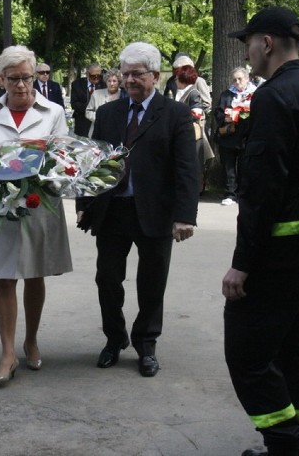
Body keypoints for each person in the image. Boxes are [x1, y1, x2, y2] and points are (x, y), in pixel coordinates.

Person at [224, 6, 299, 456]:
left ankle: (284, 441)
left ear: (266, 43)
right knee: (294, 349)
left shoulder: (273, 96)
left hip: (277, 251)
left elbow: (261, 190)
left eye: (248, 42)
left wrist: (242, 264)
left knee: (248, 355)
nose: (248, 51)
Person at [76, 41, 199, 378]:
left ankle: (146, 344)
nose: (128, 80)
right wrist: (84, 204)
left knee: (152, 282)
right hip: (113, 212)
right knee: (107, 280)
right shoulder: (107, 113)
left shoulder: (175, 114)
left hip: (156, 213)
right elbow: (91, 162)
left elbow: (187, 168)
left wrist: (185, 216)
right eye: (125, 73)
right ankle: (114, 340)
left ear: (155, 76)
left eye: (136, 74)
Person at [0, 45, 73, 384]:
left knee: (35, 274)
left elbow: (65, 160)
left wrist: (44, 173)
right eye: (14, 79)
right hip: (2, 207)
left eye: (27, 77)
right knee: (4, 276)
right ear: (1, 79)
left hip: (39, 205)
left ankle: (31, 340)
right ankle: (8, 353)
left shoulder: (53, 111)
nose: (23, 86)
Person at [214, 67, 255, 206]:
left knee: (245, 166)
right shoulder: (226, 94)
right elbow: (218, 112)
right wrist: (226, 118)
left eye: (240, 79)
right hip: (229, 136)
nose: (237, 82)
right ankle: (230, 194)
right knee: (229, 168)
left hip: (247, 137)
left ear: (247, 78)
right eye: (235, 79)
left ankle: (243, 193)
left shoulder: (255, 93)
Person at [170, 60, 214, 191]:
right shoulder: (178, 92)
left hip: (191, 133)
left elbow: (197, 112)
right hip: (179, 133)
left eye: (177, 78)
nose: (175, 80)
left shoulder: (193, 92)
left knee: (192, 163)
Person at [85, 68, 126, 136]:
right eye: (109, 81)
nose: (111, 84)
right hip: (99, 131)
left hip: (118, 132)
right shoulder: (96, 94)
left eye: (114, 81)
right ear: (106, 82)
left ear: (119, 82)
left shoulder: (124, 95)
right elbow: (88, 112)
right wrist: (101, 119)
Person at [70, 62, 103, 136]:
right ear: (87, 74)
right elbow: (74, 104)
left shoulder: (103, 84)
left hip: (98, 122)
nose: (96, 79)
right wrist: (90, 108)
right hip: (82, 121)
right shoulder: (77, 84)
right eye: (93, 76)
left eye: (99, 76)